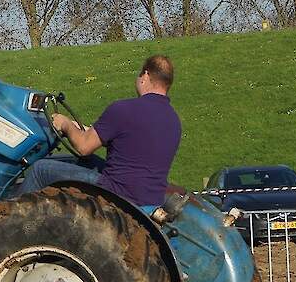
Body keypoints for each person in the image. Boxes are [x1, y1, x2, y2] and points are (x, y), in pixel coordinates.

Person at [19, 55, 182, 208]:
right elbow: (129, 142)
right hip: (150, 198)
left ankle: (9, 215)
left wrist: (66, 124)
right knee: (83, 161)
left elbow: (83, 147)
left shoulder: (124, 109)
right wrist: (79, 128)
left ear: (145, 75)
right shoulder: (174, 121)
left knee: (40, 169)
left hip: (117, 192)